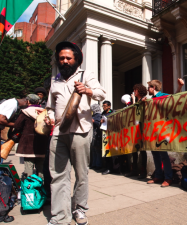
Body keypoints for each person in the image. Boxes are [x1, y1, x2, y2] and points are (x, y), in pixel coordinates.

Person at [44, 41, 106, 225]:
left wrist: (87, 90)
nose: (64, 61)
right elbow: (49, 106)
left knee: (81, 174)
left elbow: (101, 93)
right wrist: (49, 117)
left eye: (68, 58)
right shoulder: (55, 80)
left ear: (76, 59)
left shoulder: (86, 74)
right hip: (58, 133)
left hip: (81, 131)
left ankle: (79, 210)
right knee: (58, 175)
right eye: (61, 58)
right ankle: (60, 217)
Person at [145, 78, 184, 187]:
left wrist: (180, 86)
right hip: (152, 130)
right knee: (155, 154)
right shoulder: (150, 99)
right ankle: (158, 175)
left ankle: (168, 178)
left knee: (163, 154)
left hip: (162, 130)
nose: (148, 89)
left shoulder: (163, 96)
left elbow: (175, 98)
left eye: (149, 87)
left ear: (153, 88)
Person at [14, 94, 48, 179]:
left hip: (28, 143)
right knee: (41, 168)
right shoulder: (44, 112)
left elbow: (17, 126)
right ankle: (41, 188)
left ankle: (29, 188)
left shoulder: (25, 112)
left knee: (28, 167)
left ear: (28, 101)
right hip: (42, 142)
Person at [125, 84, 148, 179]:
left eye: (135, 90)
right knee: (134, 150)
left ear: (139, 91)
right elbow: (133, 110)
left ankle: (143, 171)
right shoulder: (137, 100)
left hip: (142, 127)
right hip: (135, 128)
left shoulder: (144, 99)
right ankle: (134, 170)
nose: (134, 91)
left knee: (142, 150)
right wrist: (134, 100)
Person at [0, 97, 28, 163]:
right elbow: (1, 120)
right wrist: (17, 125)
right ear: (26, 102)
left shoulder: (12, 103)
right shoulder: (12, 104)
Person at [101, 101, 117, 175]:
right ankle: (108, 168)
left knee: (113, 152)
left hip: (112, 134)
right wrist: (100, 122)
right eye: (103, 106)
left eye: (105, 106)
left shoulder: (113, 112)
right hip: (105, 135)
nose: (103, 107)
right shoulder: (102, 114)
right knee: (106, 152)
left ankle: (114, 168)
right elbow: (99, 124)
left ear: (109, 106)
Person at [90, 104, 102, 170]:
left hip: (97, 135)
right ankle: (94, 164)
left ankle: (98, 165)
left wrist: (94, 121)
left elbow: (99, 124)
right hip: (92, 134)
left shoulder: (99, 115)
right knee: (93, 150)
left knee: (97, 150)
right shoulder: (93, 115)